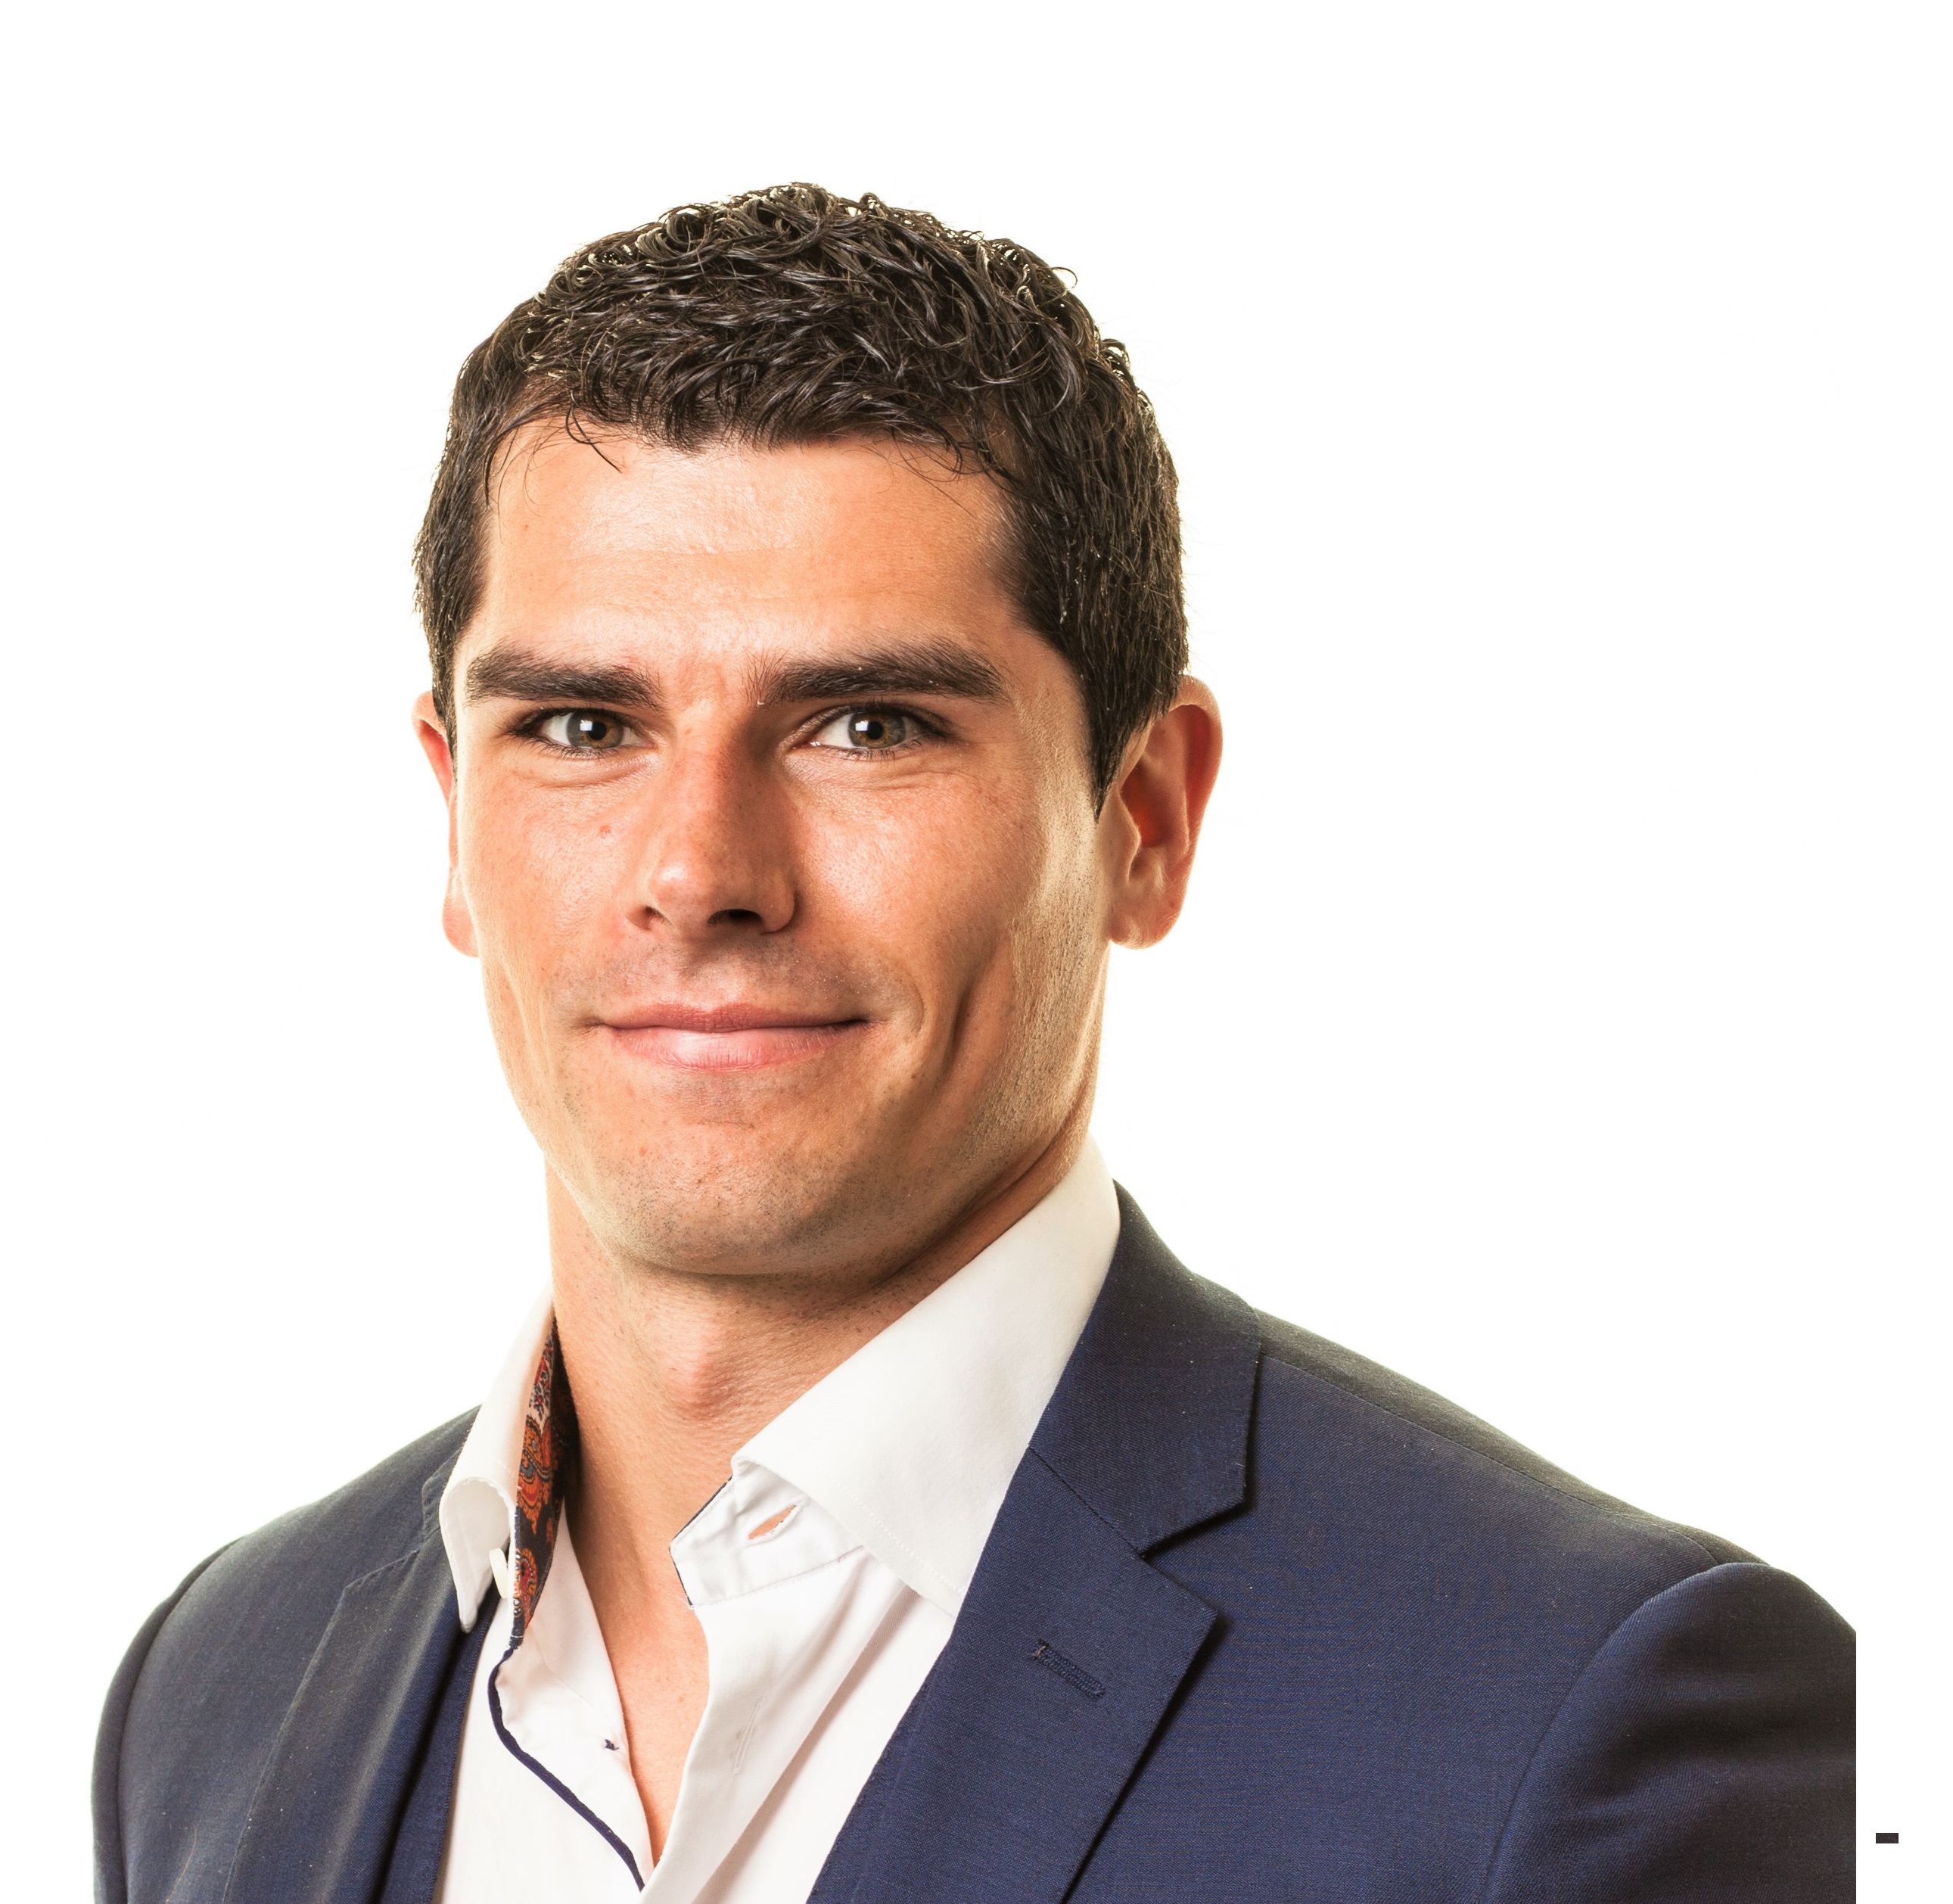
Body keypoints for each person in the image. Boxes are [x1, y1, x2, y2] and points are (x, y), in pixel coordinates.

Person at [92, 184, 1853, 1904]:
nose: (699, 872)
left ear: (1146, 820)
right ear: (454, 813)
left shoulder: (1574, 1720)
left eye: (866, 723)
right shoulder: (219, 1693)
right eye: (579, 723)